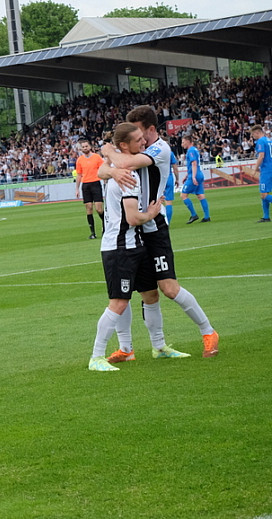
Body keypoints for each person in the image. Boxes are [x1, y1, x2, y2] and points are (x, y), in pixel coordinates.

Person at [99, 105, 219, 360]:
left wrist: (108, 150)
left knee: (169, 288)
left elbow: (125, 162)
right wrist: (112, 165)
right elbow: (102, 171)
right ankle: (134, 348)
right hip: (133, 230)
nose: (138, 138)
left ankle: (208, 331)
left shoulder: (160, 149)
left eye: (139, 132)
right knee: (139, 292)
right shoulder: (132, 147)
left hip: (154, 228)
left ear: (151, 129)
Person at [89, 123, 165, 371]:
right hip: (120, 247)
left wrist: (109, 160)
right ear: (124, 145)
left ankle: (158, 347)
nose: (144, 143)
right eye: (138, 140)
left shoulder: (118, 168)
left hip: (135, 244)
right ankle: (96, 357)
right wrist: (151, 213)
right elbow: (133, 218)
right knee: (119, 302)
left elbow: (104, 168)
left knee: (150, 294)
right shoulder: (127, 176)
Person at [74, 139, 105, 239]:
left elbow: (103, 170)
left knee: (99, 209)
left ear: (90, 147)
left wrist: (105, 182)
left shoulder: (97, 157)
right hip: (86, 185)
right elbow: (79, 175)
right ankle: (93, 233)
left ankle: (105, 225)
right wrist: (77, 189)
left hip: (96, 183)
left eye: (86, 146)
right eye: (83, 147)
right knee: (89, 208)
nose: (85, 148)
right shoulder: (80, 160)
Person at [179, 134, 211, 223]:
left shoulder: (191, 150)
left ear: (188, 141)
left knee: (183, 195)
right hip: (199, 174)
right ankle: (207, 216)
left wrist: (193, 177)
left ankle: (194, 215)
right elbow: (192, 165)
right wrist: (186, 175)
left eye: (183, 142)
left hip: (195, 175)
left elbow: (194, 163)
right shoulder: (194, 149)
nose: (182, 144)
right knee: (200, 195)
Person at [250, 125, 272, 222]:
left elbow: (261, 156)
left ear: (257, 132)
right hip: (270, 168)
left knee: (264, 195)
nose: (253, 136)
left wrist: (254, 169)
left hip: (266, 170)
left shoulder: (261, 141)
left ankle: (266, 216)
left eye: (253, 134)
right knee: (265, 193)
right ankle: (266, 217)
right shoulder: (269, 140)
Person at [164, 151, 178, 224]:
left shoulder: (154, 151)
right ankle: (167, 223)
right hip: (169, 178)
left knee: (156, 201)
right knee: (168, 202)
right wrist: (177, 179)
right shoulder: (170, 152)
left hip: (159, 179)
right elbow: (175, 167)